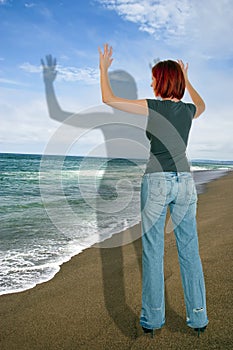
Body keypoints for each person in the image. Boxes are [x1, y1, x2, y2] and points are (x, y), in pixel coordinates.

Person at [98, 43, 209, 337]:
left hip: (157, 181)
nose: (150, 82)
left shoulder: (153, 105)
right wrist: (188, 79)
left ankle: (152, 320)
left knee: (152, 251)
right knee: (189, 252)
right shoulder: (188, 110)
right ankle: (198, 319)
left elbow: (108, 98)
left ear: (161, 81)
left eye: (153, 78)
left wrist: (103, 69)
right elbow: (203, 105)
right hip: (185, 182)